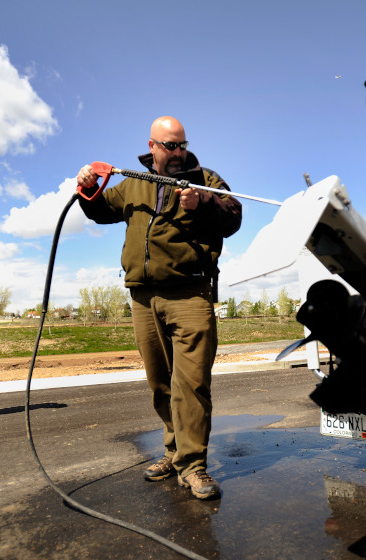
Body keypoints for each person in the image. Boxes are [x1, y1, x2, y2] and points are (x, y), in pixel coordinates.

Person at [76, 116, 242, 499]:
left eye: (182, 144)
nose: (178, 152)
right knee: (161, 383)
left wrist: (203, 203)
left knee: (192, 384)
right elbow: (101, 210)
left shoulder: (206, 178)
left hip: (190, 294)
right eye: (170, 145)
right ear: (152, 146)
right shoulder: (134, 182)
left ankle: (194, 465)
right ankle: (173, 452)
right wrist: (87, 187)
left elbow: (232, 218)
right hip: (142, 297)